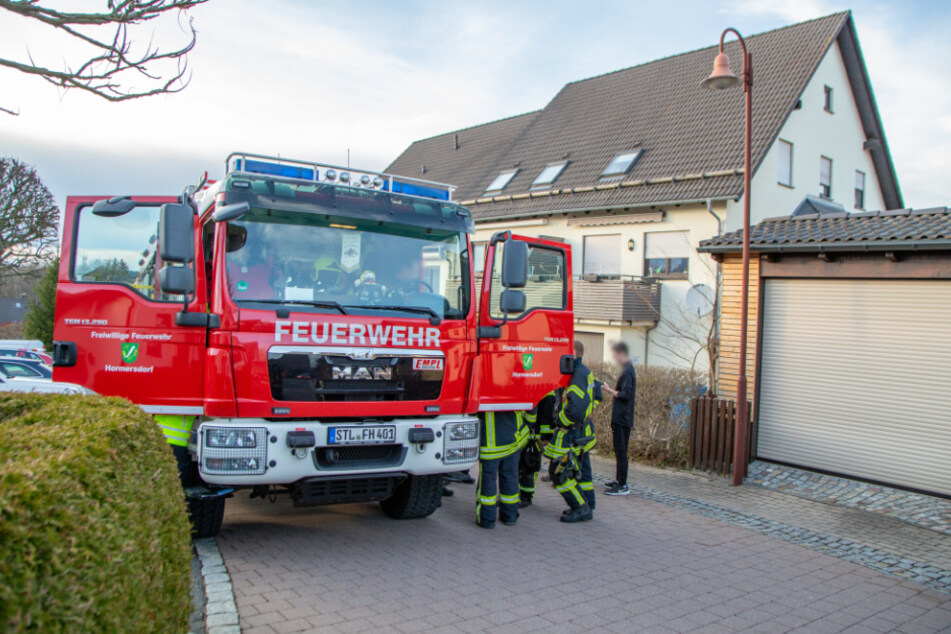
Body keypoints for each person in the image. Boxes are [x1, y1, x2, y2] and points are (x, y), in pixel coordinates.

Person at [544, 341, 596, 523]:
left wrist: (560, 421)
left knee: (559, 472)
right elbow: (596, 395)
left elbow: (574, 409)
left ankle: (581, 508)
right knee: (579, 471)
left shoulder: (577, 376)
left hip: (572, 432)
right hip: (582, 430)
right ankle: (587, 504)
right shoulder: (585, 372)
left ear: (573, 354)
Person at [476, 410, 528, 528]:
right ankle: (510, 515)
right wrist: (525, 428)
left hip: (490, 443)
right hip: (513, 439)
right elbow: (532, 410)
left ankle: (487, 519)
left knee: (488, 480)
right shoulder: (519, 389)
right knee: (510, 477)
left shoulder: (483, 390)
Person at [602, 342, 636, 496]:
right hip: (620, 418)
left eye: (615, 355)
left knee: (621, 451)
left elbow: (626, 395)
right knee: (618, 450)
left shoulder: (628, 371)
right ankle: (619, 480)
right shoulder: (626, 370)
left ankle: (622, 485)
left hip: (623, 418)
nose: (614, 358)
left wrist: (610, 390)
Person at [518, 392, 557, 507]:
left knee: (529, 467)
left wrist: (544, 438)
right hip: (523, 434)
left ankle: (526, 496)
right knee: (518, 466)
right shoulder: (533, 387)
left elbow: (547, 419)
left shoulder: (548, 393)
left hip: (534, 437)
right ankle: (517, 494)